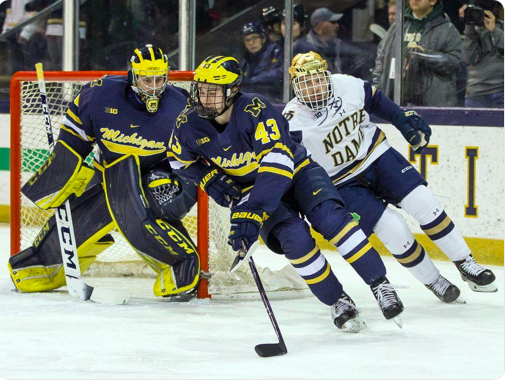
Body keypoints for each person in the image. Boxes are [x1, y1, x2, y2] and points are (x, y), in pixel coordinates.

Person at [168, 55, 404, 331]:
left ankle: (380, 284)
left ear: (232, 91)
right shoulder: (187, 124)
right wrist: (207, 178)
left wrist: (253, 211)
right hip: (253, 190)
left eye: (212, 91)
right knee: (295, 241)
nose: (203, 98)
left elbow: (278, 165)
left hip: (297, 174)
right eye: (200, 90)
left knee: (333, 220)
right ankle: (337, 300)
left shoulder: (255, 109)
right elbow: (178, 161)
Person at [282, 51, 497, 303]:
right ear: (296, 86)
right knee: (394, 229)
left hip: (377, 156)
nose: (315, 87)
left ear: (327, 76)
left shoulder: (347, 85)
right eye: (306, 83)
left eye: (318, 79)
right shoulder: (291, 121)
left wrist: (403, 121)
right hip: (340, 182)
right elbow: (289, 165)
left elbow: (377, 102)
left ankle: (465, 262)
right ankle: (434, 281)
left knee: (423, 201)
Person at [8, 44, 201, 299]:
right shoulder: (99, 96)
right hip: (106, 178)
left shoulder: (182, 107)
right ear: (133, 76)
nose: (154, 87)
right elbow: (72, 144)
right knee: (34, 271)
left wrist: (183, 192)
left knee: (143, 197)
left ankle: (179, 263)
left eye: (160, 79)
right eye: (147, 79)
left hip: (156, 182)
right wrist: (59, 178)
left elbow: (195, 162)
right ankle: (48, 263)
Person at [373, 0, 462, 106]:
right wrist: (378, 92)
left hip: (432, 106)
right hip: (397, 103)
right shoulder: (397, 27)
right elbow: (381, 60)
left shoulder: (447, 30)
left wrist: (425, 54)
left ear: (433, 1)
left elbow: (456, 63)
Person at [460, 1, 504, 108]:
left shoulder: (502, 28)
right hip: (477, 93)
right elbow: (468, 59)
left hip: (502, 91)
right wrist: (469, 25)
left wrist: (494, 30)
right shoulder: (472, 30)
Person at [239, 22, 283, 102]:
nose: (251, 43)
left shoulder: (274, 51)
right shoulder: (245, 60)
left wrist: (253, 80)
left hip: (273, 99)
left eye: (254, 38)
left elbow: (278, 74)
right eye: (247, 40)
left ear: (263, 38)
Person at [302, 7, 343, 74]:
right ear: (320, 25)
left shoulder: (337, 45)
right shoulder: (304, 46)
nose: (337, 25)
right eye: (333, 22)